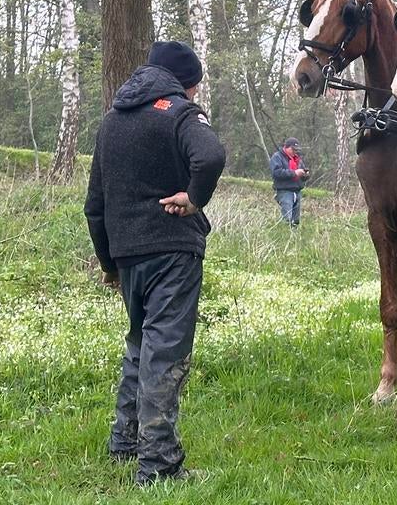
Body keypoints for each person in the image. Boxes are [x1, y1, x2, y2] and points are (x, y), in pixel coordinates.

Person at [84, 41, 226, 486]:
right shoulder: (181, 113)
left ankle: (125, 442)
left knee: (139, 345)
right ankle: (159, 464)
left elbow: (95, 205)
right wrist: (193, 197)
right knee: (164, 352)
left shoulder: (111, 121)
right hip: (171, 251)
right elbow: (211, 156)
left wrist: (110, 262)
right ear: (187, 83)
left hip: (128, 254)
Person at [270, 137, 308, 226]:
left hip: (297, 191)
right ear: (286, 147)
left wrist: (305, 175)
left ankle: (294, 237)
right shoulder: (277, 157)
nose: (295, 152)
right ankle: (284, 235)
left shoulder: (297, 159)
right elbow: (276, 173)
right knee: (287, 218)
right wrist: (294, 173)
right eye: (293, 149)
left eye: (296, 150)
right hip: (285, 191)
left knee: (296, 220)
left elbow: (302, 172)